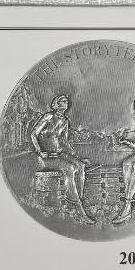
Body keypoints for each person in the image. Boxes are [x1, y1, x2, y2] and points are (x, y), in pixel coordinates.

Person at [30, 94, 92, 222]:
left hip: (59, 154)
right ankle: (79, 209)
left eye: (66, 101)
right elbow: (33, 134)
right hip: (46, 157)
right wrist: (39, 151)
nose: (66, 103)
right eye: (63, 101)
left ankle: (77, 199)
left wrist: (78, 158)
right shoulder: (48, 117)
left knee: (81, 166)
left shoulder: (65, 121)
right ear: (56, 104)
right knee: (70, 168)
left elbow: (64, 141)